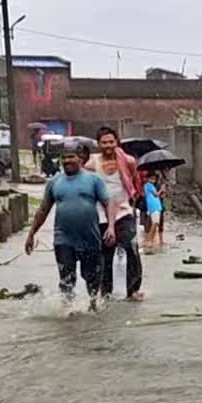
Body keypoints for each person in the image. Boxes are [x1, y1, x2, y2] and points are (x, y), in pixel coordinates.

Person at [25, 143, 116, 309]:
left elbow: (108, 203)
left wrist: (111, 227)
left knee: (92, 278)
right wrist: (31, 233)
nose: (67, 160)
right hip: (63, 238)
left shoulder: (93, 180)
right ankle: (67, 311)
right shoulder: (54, 183)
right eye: (64, 157)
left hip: (90, 238)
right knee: (66, 278)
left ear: (80, 159)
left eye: (71, 157)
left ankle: (94, 305)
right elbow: (43, 209)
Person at [85, 127, 144, 302]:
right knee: (105, 255)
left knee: (131, 248)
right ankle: (106, 291)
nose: (108, 145)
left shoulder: (128, 161)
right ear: (98, 144)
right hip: (101, 215)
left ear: (117, 142)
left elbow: (132, 181)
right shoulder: (91, 164)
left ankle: (133, 289)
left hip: (124, 212)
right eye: (104, 142)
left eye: (111, 141)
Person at [143, 171, 164, 249]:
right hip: (153, 206)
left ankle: (150, 240)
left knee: (155, 223)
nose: (153, 180)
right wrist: (161, 189)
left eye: (154, 179)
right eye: (151, 178)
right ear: (148, 179)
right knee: (154, 223)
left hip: (155, 205)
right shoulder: (149, 185)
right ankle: (149, 240)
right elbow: (156, 194)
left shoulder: (149, 186)